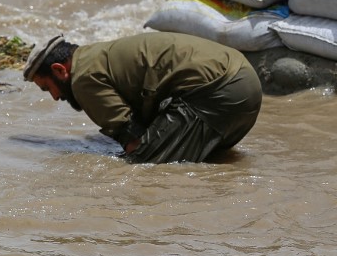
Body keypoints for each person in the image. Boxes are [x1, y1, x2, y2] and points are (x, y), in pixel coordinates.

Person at [22, 31, 262, 163]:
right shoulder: (95, 55)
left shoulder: (83, 78)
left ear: (59, 70)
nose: (54, 97)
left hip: (220, 91)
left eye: (47, 88)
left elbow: (132, 139)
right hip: (245, 83)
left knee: (142, 168)